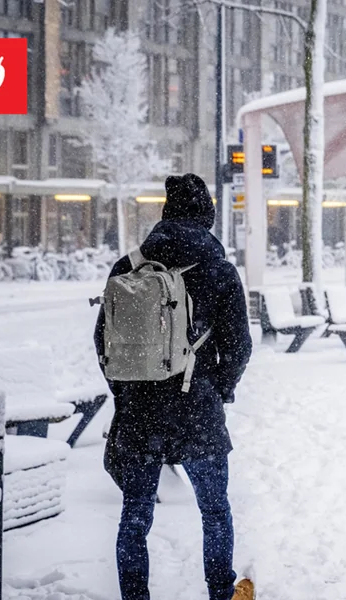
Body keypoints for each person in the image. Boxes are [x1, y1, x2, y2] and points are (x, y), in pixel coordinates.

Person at [95, 173, 254, 600]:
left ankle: (135, 596)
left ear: (165, 215)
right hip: (197, 407)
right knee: (215, 510)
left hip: (139, 413)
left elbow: (103, 343)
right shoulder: (219, 270)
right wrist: (219, 385)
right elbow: (239, 345)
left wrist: (127, 392)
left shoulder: (127, 267)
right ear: (207, 217)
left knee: (135, 517)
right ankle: (221, 591)